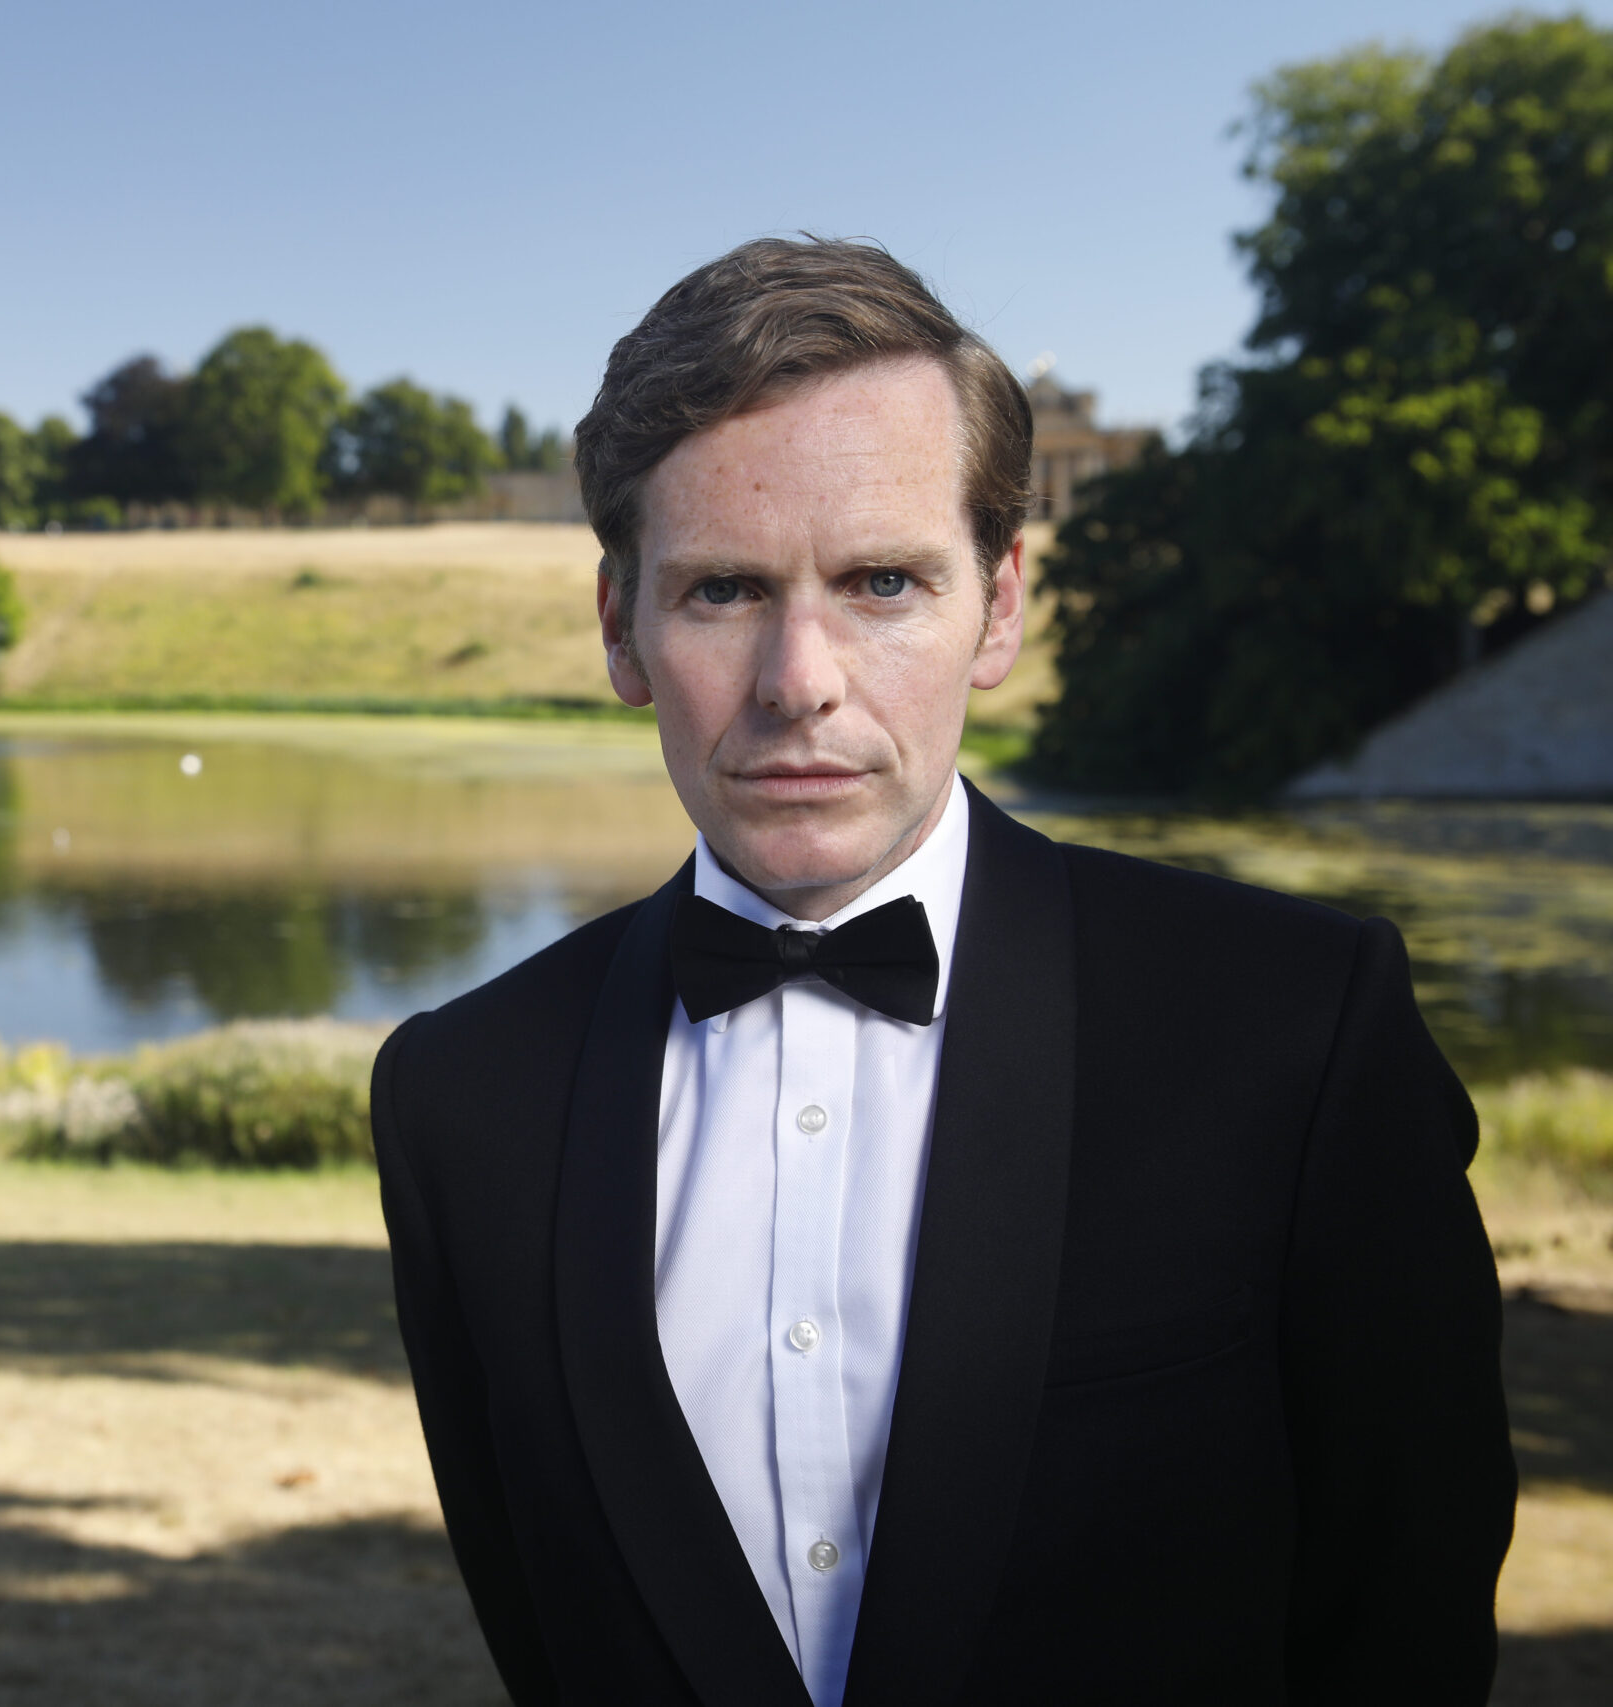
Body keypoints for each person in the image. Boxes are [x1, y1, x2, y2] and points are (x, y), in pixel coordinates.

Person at [370, 238, 1515, 1706]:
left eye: (883, 582)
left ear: (1002, 606)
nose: (801, 681)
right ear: (622, 629)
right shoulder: (463, 1102)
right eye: (723, 590)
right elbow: (548, 1635)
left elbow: (1404, 1623)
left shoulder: (1296, 1033)